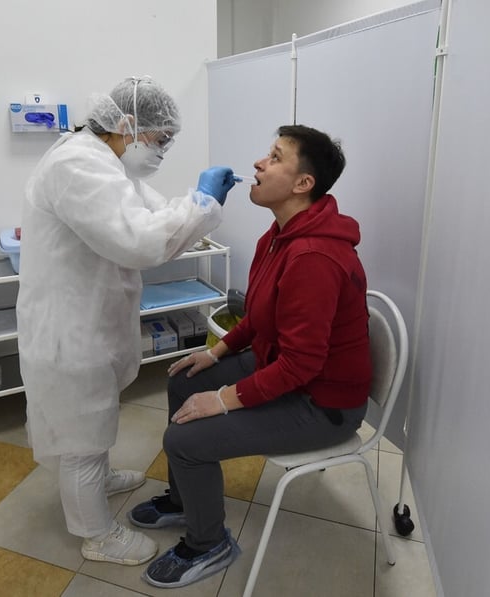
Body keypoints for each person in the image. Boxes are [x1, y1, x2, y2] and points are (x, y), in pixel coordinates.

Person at [129, 124, 372, 588]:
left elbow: (302, 366)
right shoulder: (279, 236)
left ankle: (209, 544)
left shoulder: (313, 257)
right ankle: (185, 501)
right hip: (286, 370)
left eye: (275, 157)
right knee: (183, 380)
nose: (259, 163)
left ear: (304, 184)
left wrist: (222, 400)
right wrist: (217, 352)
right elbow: (261, 315)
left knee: (186, 440)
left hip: (323, 404)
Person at [16, 76, 237, 567]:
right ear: (127, 125)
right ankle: (96, 535)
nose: (162, 150)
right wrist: (201, 203)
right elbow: (140, 241)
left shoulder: (107, 164)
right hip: (68, 330)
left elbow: (153, 215)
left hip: (89, 321)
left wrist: (197, 206)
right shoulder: (77, 165)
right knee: (81, 436)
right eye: (159, 139)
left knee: (93, 419)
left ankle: (98, 477)